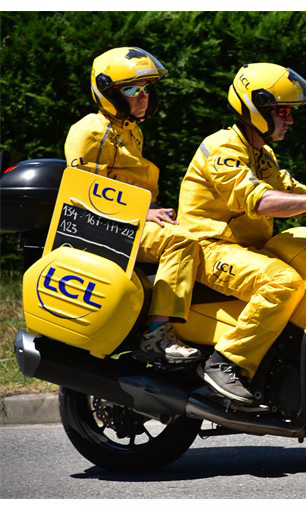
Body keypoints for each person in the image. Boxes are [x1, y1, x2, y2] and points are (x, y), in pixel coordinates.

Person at [178, 63, 306, 403]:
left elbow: (292, 194)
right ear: (256, 108)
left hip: (244, 250)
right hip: (207, 248)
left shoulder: (262, 154)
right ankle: (226, 363)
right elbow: (260, 201)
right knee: (283, 283)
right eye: (283, 111)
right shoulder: (222, 147)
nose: (290, 119)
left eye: (291, 112)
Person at [64, 47, 203, 365]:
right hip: (105, 226)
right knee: (181, 240)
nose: (142, 97)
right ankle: (157, 334)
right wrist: (144, 212)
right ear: (107, 92)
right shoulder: (92, 133)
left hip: (132, 219)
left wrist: (152, 210)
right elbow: (85, 195)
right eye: (131, 90)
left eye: (145, 90)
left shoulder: (129, 130)